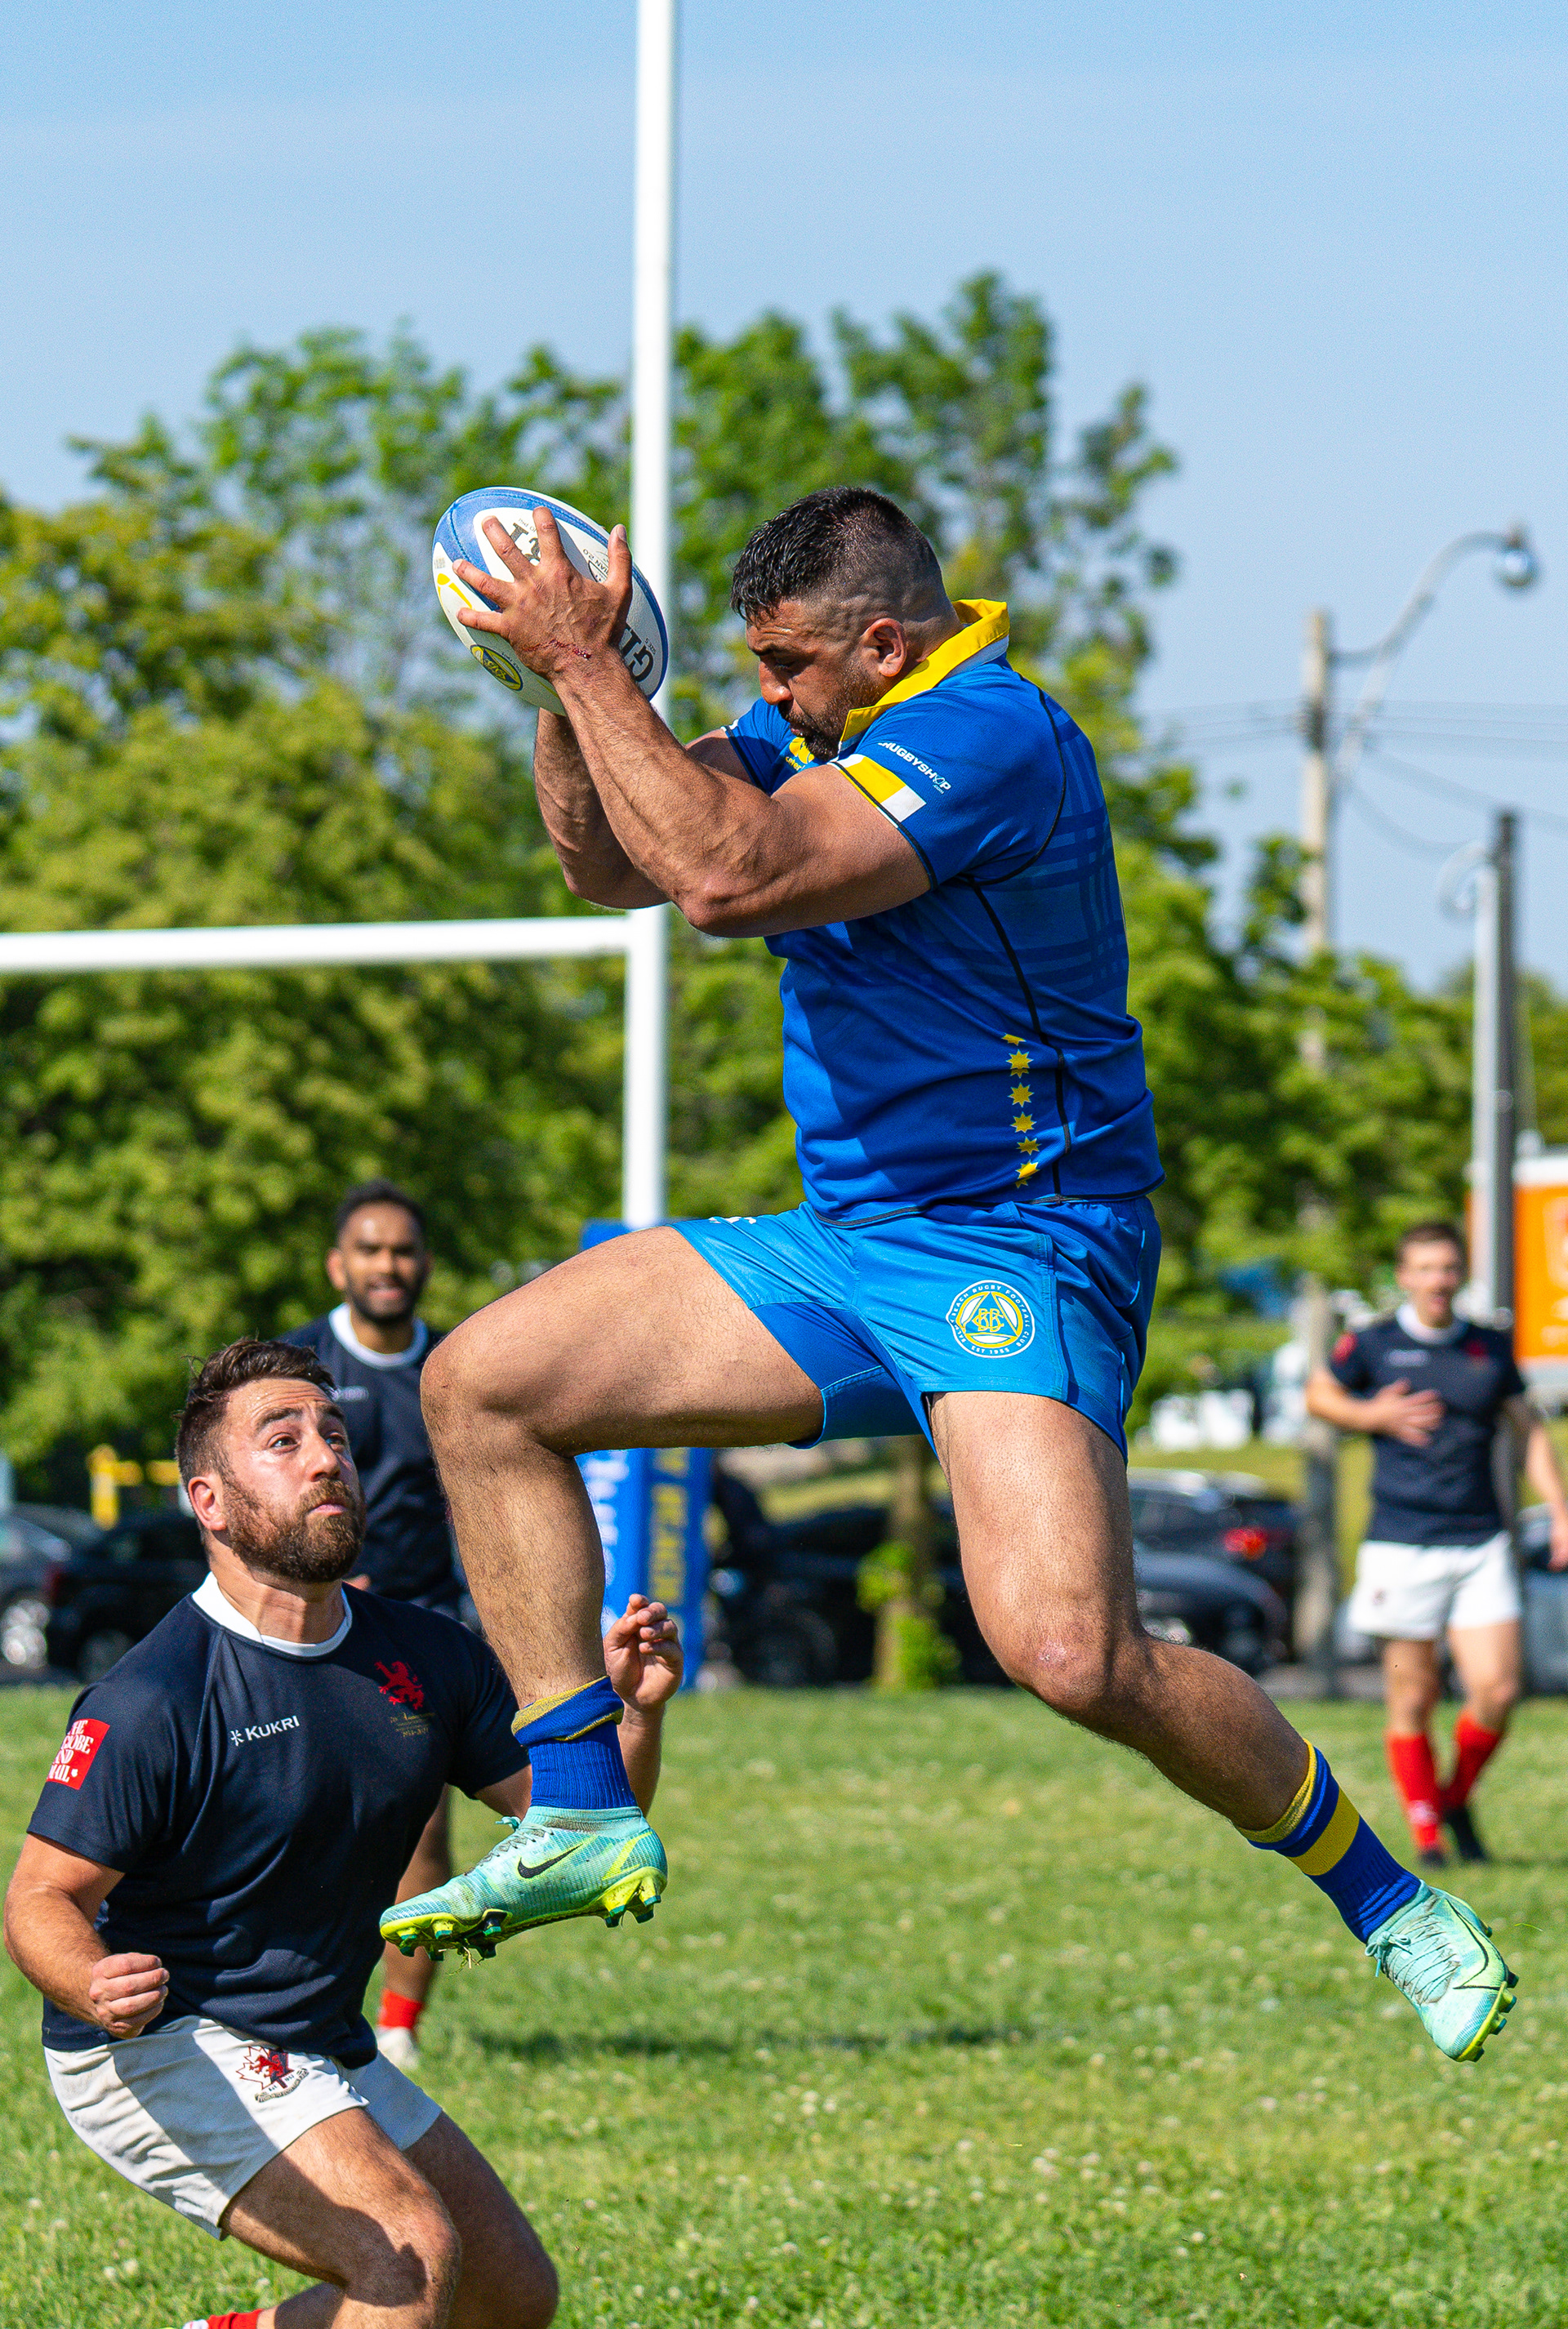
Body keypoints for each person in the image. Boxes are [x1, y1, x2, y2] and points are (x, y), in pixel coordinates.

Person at [382, 484, 1515, 2067]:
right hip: (845, 1242)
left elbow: (729, 880)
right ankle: (580, 1805)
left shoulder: (992, 736)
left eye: (785, 664)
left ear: (881, 643)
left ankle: (1392, 1898)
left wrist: (594, 672)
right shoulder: (811, 720)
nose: (766, 695)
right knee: (482, 1384)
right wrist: (566, 693)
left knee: (1070, 1655)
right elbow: (613, 869)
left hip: (1022, 1243)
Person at [2, 1338, 680, 2329]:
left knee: (508, 2298)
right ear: (211, 1503)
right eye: (284, 1442)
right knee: (402, 2255)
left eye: (335, 1436)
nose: (327, 1458)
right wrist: (87, 1977)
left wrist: (635, 1717)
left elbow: (580, 1817)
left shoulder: (428, 1656)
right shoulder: (156, 1694)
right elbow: (40, 1899)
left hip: (314, 2037)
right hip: (161, 2043)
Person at [1307, 1219, 1568, 1866]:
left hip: (1479, 1542)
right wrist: (1372, 1415)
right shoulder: (1373, 1343)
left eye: (1448, 1268)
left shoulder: (1487, 1348)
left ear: (1461, 1274)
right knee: (1414, 1697)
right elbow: (1319, 1394)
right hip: (1401, 1543)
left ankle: (1453, 1796)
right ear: (1405, 1276)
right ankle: (1428, 1838)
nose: (1438, 1281)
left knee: (1499, 1690)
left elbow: (1528, 1430)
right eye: (1424, 1268)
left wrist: (1559, 1510)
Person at [284, 1182, 458, 2072]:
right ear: (337, 1265)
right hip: (309, 1627)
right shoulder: (296, 1369)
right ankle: (286, 2003)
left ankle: (394, 2030)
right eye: (370, 1249)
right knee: (298, 1817)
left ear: (423, 1264)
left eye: (401, 1251)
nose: (387, 1266)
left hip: (421, 1629)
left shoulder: (462, 1367)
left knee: (421, 1829)